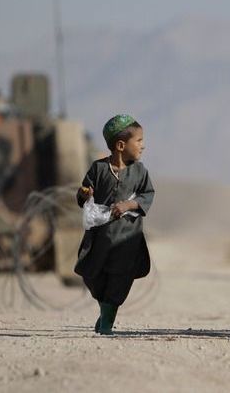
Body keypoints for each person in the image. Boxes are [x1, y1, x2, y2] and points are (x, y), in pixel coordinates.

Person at [74, 114, 155, 335]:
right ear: (121, 145)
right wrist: (84, 194)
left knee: (120, 278)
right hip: (100, 236)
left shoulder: (140, 172)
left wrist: (129, 204)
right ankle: (105, 310)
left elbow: (147, 194)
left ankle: (107, 323)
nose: (143, 146)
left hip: (127, 237)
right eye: (138, 141)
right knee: (93, 275)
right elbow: (84, 195)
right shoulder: (98, 169)